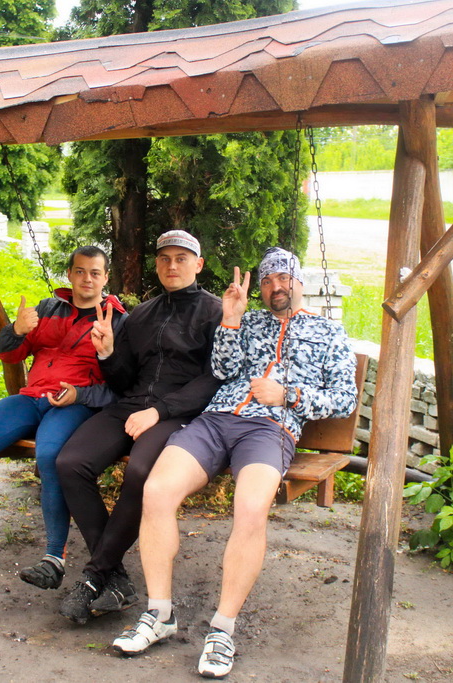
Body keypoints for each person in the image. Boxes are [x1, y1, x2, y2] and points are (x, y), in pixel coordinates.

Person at [111, 247, 358, 679]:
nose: (275, 287)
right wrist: (229, 319)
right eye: (267, 280)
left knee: (250, 509)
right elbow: (223, 371)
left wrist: (288, 395)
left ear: (299, 282)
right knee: (157, 490)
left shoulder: (329, 333)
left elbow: (345, 398)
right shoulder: (250, 321)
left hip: (270, 429)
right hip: (216, 420)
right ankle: (159, 613)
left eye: (283, 279)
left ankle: (222, 629)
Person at [55, 230, 223, 624]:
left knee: (141, 473)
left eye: (181, 258)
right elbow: (123, 380)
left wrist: (160, 411)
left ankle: (95, 575)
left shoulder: (214, 312)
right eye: (164, 258)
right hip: (132, 406)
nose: (172, 265)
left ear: (198, 265)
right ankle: (114, 576)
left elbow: (214, 378)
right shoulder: (142, 314)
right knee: (70, 463)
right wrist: (108, 354)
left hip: (180, 414)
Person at [0, 245, 126, 590]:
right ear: (69, 274)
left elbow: (122, 385)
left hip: (73, 403)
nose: (87, 279)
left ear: (105, 278)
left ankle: (53, 559)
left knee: (50, 456)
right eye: (80, 271)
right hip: (31, 397)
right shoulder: (48, 309)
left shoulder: (117, 320)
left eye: (95, 273)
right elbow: (8, 354)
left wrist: (81, 395)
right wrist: (17, 330)